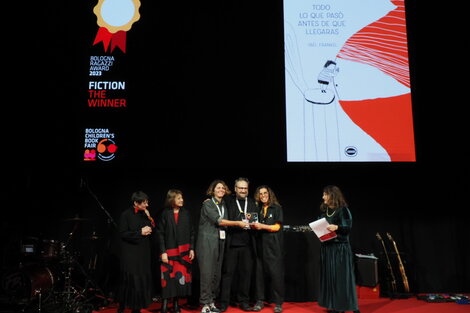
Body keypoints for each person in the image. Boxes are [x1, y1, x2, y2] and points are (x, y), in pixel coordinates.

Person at [196, 179, 249, 313]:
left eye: (223, 188)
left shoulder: (223, 204)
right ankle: (205, 304)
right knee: (207, 274)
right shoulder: (208, 204)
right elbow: (219, 221)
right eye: (218, 188)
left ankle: (212, 301)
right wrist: (238, 223)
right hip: (207, 242)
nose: (221, 190)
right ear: (212, 190)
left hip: (220, 242)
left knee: (216, 274)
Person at [317, 185, 360, 313]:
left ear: (332, 195)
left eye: (325, 194)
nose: (323, 196)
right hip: (327, 248)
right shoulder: (324, 211)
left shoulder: (343, 210)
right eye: (323, 194)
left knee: (341, 279)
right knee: (331, 278)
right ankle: (334, 305)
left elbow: (347, 227)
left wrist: (337, 227)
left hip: (340, 249)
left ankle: (345, 306)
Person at [219, 177, 258, 312]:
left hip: (247, 245)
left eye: (245, 188)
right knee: (227, 274)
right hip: (231, 245)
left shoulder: (252, 203)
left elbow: (255, 220)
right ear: (235, 189)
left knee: (246, 275)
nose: (243, 190)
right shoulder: (228, 202)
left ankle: (244, 301)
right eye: (240, 188)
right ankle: (224, 302)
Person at [156, 189, 195, 313]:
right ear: (172, 199)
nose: (182, 200)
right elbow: (160, 234)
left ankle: (176, 304)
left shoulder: (186, 213)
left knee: (179, 279)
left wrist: (192, 249)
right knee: (167, 279)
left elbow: (192, 232)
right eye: (179, 198)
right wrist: (163, 252)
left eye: (182, 198)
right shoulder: (165, 214)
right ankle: (165, 304)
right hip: (169, 252)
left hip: (183, 253)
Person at [115, 191, 155, 313]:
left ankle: (137, 306)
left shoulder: (144, 214)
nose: (147, 205)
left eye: (147, 202)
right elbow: (123, 234)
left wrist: (149, 222)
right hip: (130, 253)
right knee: (131, 280)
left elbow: (152, 226)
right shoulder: (125, 215)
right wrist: (140, 233)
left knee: (141, 278)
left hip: (143, 252)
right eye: (144, 203)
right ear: (135, 203)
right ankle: (125, 305)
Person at [251, 185, 284, 313]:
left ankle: (278, 303)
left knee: (276, 275)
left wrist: (262, 226)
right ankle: (260, 301)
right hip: (259, 246)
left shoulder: (276, 208)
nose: (263, 195)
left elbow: (277, 227)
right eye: (260, 194)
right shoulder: (257, 209)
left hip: (273, 247)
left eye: (265, 193)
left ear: (269, 194)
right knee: (259, 275)